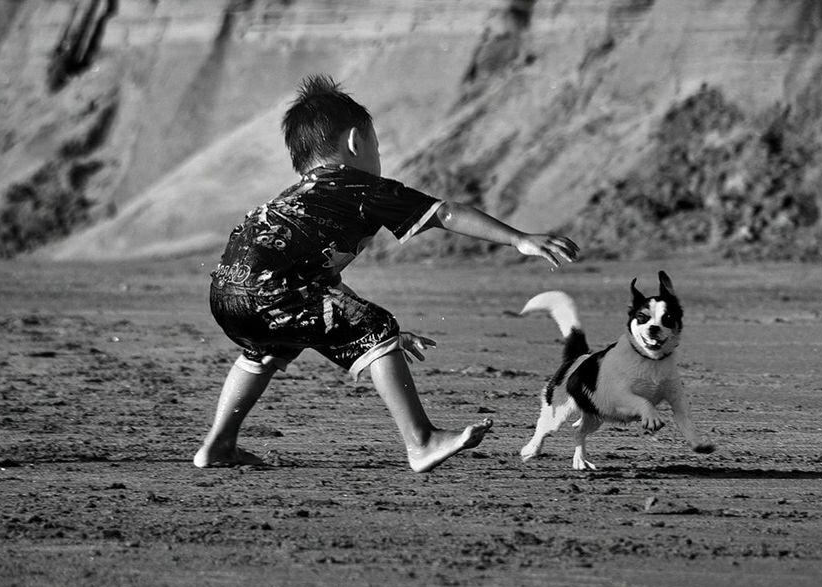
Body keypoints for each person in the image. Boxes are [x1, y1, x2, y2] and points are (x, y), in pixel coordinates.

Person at [193, 74, 578, 472]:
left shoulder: (296, 199)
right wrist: (518, 239)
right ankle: (422, 441)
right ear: (356, 142)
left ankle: (218, 444)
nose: (377, 156)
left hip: (227, 294)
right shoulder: (360, 188)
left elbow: (317, 283)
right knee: (374, 323)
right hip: (274, 293)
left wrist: (376, 343)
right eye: (376, 146)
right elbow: (444, 212)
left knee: (268, 348)